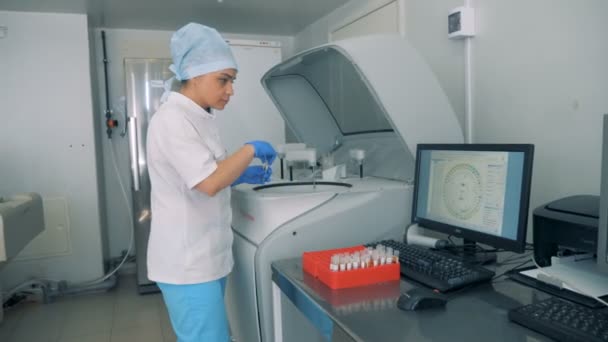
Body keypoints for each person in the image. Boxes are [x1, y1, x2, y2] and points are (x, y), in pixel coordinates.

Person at [145, 22, 277, 342]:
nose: (230, 89)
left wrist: (236, 174)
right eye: (223, 80)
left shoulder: (199, 116)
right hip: (187, 263)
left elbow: (206, 169)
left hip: (206, 258)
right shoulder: (173, 119)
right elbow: (207, 182)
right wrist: (249, 150)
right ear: (193, 74)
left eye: (232, 80)